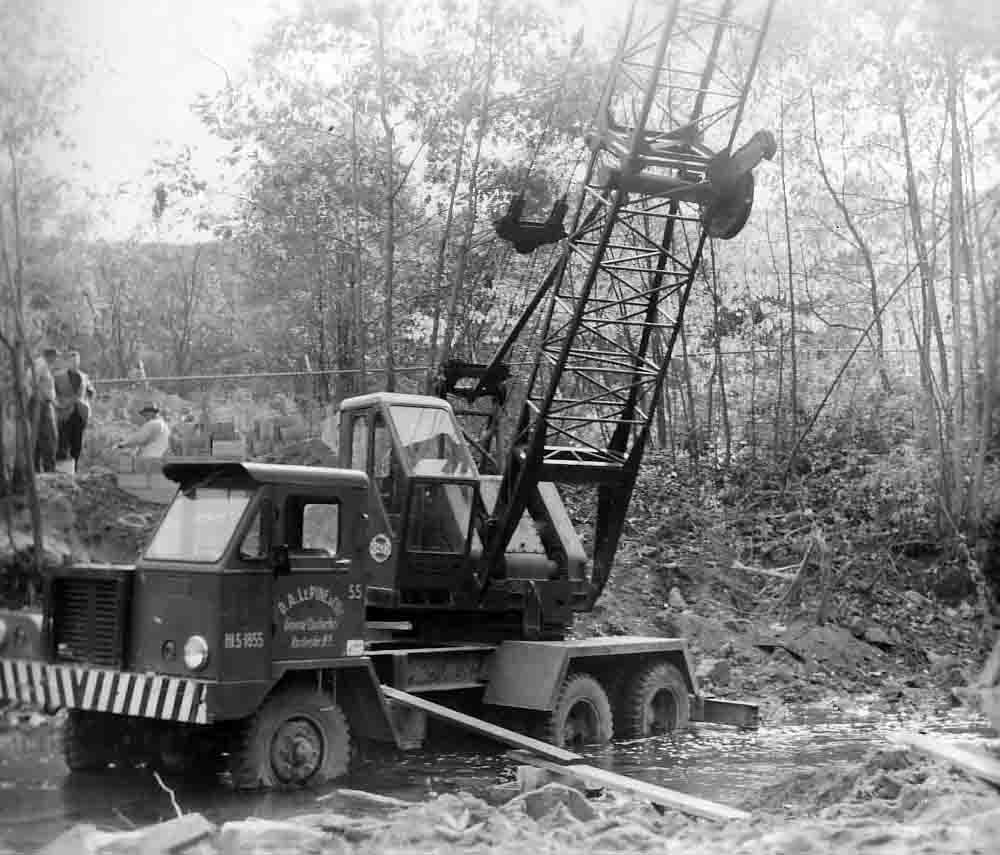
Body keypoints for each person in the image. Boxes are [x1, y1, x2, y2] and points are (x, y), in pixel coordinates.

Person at [54, 350, 95, 473]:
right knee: (63, 444)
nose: (75, 363)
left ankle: (74, 470)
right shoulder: (58, 376)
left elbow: (91, 390)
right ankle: (62, 471)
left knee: (77, 444)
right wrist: (59, 404)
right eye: (72, 361)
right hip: (64, 413)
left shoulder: (84, 376)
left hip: (80, 413)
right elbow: (53, 394)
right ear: (67, 362)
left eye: (77, 361)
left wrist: (90, 392)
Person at [27, 348, 59, 473]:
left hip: (42, 403)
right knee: (50, 436)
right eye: (55, 357)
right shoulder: (41, 364)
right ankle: (49, 468)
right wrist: (39, 397)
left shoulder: (42, 364)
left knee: (40, 436)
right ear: (50, 355)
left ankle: (37, 468)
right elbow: (31, 381)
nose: (56, 359)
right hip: (40, 404)